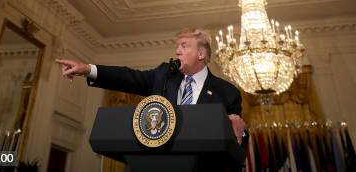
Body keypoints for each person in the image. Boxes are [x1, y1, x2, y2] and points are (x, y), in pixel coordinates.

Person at [57, 28, 246, 150]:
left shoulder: (228, 92)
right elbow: (128, 77)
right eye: (177, 46)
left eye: (183, 46)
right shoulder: (164, 75)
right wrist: (87, 69)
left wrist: (238, 129)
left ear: (201, 53)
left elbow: (240, 143)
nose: (177, 51)